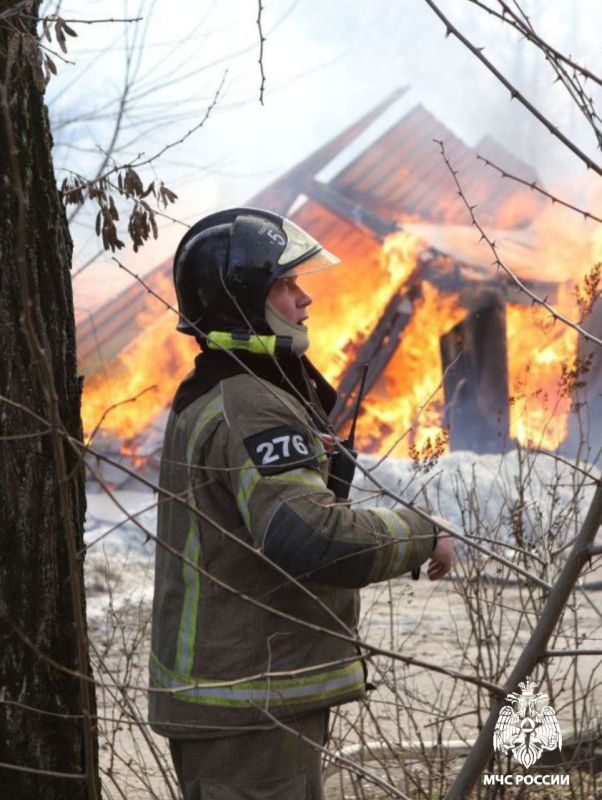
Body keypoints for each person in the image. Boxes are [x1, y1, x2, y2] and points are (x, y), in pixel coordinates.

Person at [148, 207, 455, 799]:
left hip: (240, 699)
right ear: (243, 300)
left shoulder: (227, 392)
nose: (304, 299)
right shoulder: (249, 405)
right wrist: (419, 532)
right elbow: (309, 535)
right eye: (286, 286)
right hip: (248, 709)